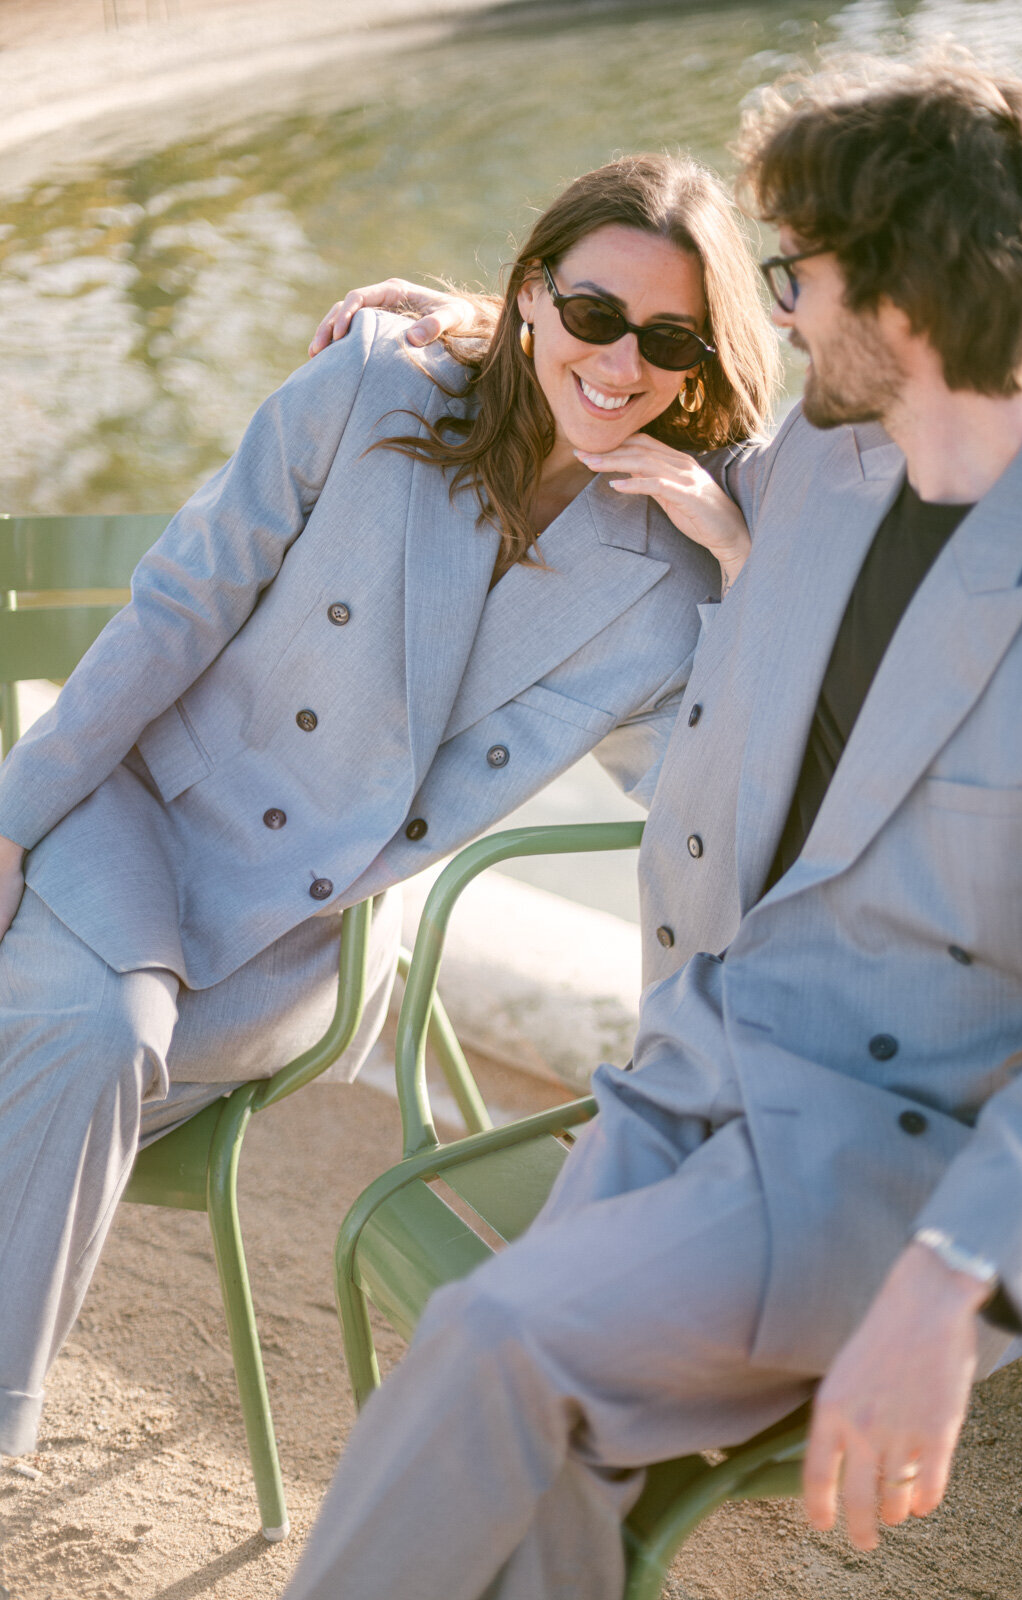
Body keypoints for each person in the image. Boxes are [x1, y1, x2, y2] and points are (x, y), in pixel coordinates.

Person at [280, 52, 1022, 1600]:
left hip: (895, 1170)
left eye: (797, 276)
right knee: (544, 1455)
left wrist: (949, 1282)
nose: (781, 315)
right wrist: (477, 317)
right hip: (696, 1071)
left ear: (902, 299)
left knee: (496, 1339)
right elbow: (636, 405)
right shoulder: (828, 464)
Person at [0, 153, 783, 1473]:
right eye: (592, 314)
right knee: (84, 1033)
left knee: (79, 1043)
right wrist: (16, 817)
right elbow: (176, 609)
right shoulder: (373, 386)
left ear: (703, 359)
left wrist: (746, 567)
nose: (620, 361)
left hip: (312, 930)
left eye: (667, 338)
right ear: (531, 291)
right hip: (141, 813)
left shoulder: (670, 582)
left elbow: (710, 804)